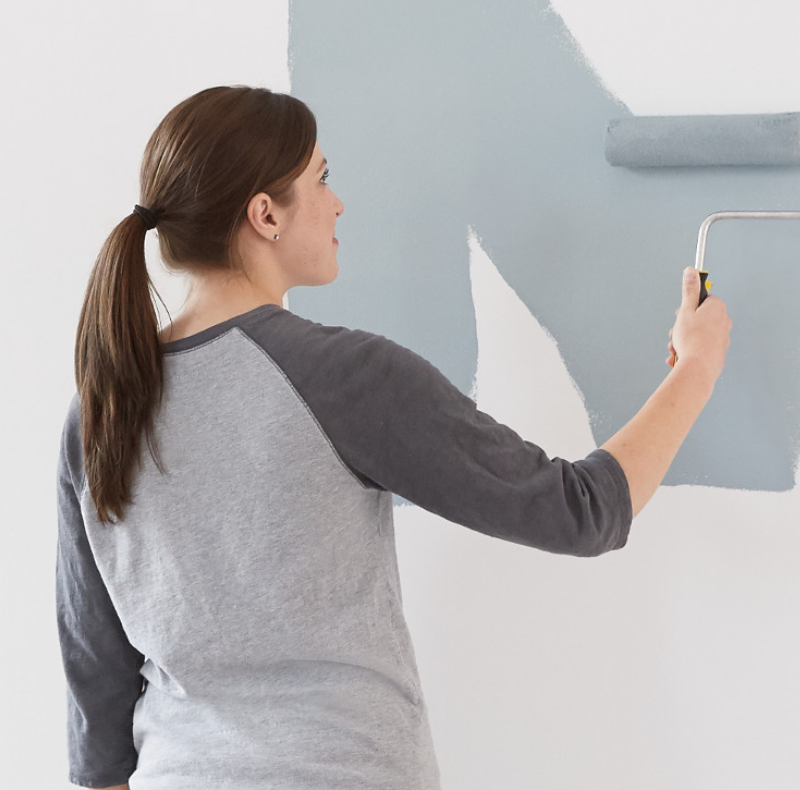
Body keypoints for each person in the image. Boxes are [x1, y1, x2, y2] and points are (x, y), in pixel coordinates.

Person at [55, 85, 732, 790]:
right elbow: (582, 511)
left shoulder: (100, 410)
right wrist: (698, 368)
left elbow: (97, 711)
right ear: (265, 215)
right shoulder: (340, 377)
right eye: (320, 179)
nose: (337, 201)